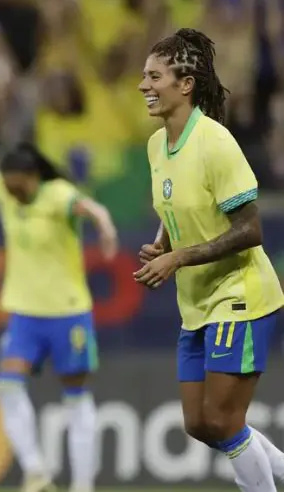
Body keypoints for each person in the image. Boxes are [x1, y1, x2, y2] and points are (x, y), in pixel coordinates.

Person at [135, 28, 284, 492]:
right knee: (199, 424)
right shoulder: (157, 146)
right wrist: (163, 242)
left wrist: (179, 257)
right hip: (197, 304)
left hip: (240, 295)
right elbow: (174, 203)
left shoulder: (216, 142)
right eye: (144, 76)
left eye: (154, 76)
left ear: (185, 84)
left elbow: (251, 229)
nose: (143, 86)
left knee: (222, 419)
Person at [0, 138, 118, 492]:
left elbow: (93, 209)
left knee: (75, 396)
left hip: (67, 312)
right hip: (25, 314)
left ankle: (82, 485)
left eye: (20, 188)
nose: (14, 195)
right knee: (7, 385)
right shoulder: (7, 191)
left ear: (34, 178)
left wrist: (105, 227)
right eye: (10, 188)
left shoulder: (58, 195)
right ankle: (35, 472)